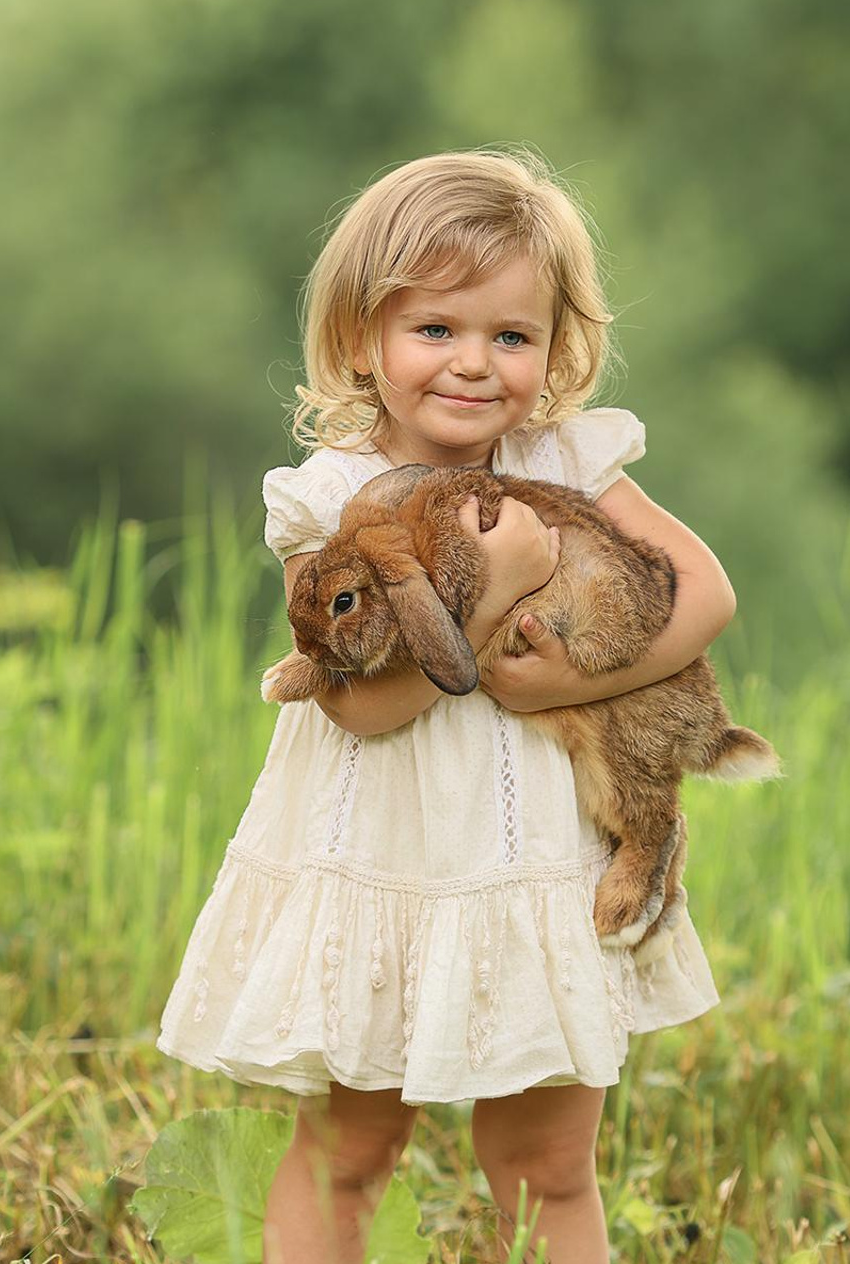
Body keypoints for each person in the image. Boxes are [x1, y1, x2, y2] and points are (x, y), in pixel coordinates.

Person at [156, 148, 734, 1263]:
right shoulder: (331, 495)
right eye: (435, 329)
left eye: (510, 336)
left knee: (549, 1166)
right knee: (348, 1152)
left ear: (553, 347)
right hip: (385, 859)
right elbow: (363, 712)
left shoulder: (566, 454)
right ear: (360, 338)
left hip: (532, 868)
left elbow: (704, 591)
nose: (474, 364)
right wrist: (503, 589)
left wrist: (564, 683)